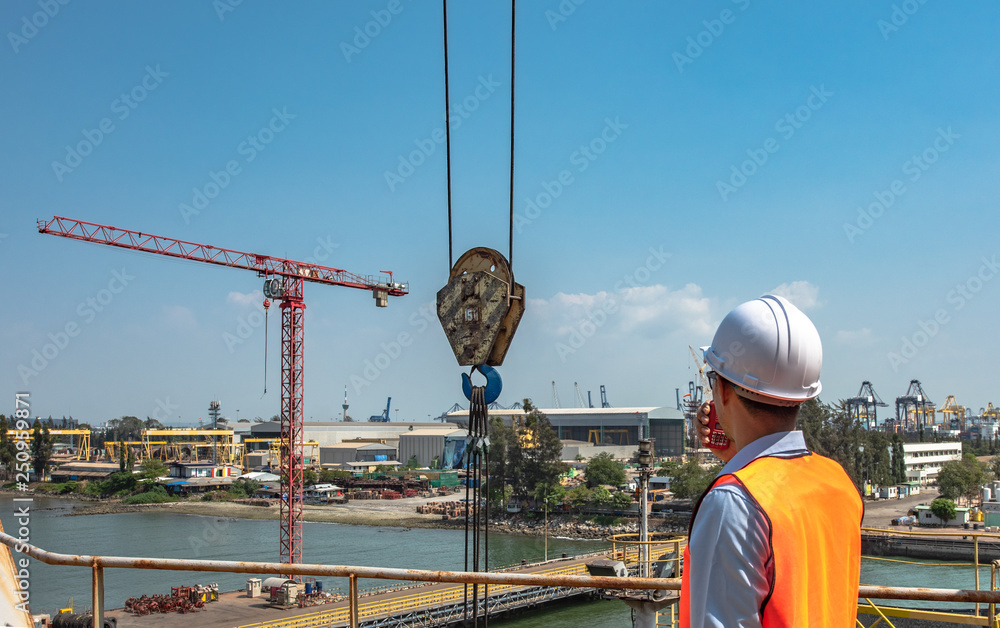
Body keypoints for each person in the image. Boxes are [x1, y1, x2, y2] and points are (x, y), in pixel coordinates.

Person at [680, 294, 862, 627]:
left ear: (721, 391)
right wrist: (737, 459)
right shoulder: (837, 481)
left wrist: (738, 473)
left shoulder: (732, 503)